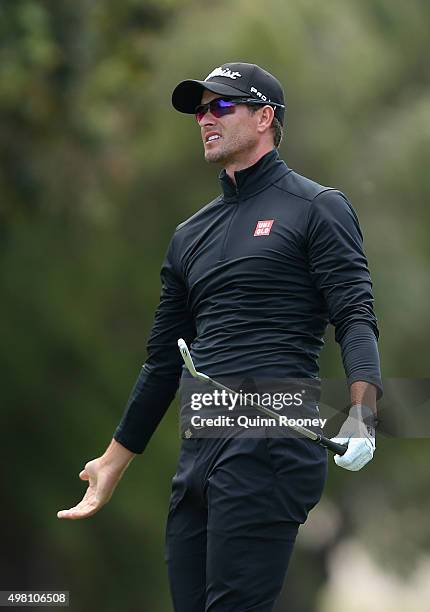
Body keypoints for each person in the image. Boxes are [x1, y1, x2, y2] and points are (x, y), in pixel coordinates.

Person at [58, 63, 382, 611]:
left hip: (272, 438)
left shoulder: (316, 207)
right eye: (200, 110)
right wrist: (113, 461)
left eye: (222, 106)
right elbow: (162, 361)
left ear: (264, 118)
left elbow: (355, 317)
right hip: (200, 447)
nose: (205, 118)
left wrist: (364, 416)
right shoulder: (190, 235)